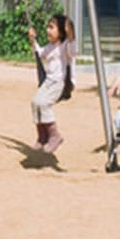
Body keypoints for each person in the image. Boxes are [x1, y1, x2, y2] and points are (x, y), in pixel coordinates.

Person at [28, 11, 75, 154]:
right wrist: (33, 40)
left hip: (60, 83)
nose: (48, 30)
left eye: (52, 27)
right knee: (35, 102)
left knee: (43, 104)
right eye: (48, 26)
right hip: (47, 82)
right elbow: (40, 53)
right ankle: (42, 136)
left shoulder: (65, 46)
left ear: (61, 32)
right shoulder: (49, 46)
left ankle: (55, 135)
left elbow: (72, 46)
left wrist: (70, 31)